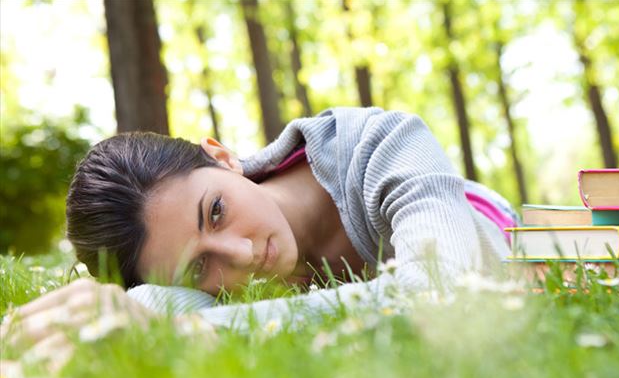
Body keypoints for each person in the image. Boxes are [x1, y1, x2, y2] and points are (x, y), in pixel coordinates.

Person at [2, 107, 517, 342]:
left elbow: (440, 293)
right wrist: (131, 311)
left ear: (223, 157)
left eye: (216, 212)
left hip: (496, 233)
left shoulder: (383, 143)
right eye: (199, 266)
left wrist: (191, 327)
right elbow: (157, 307)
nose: (241, 256)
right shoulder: (222, 280)